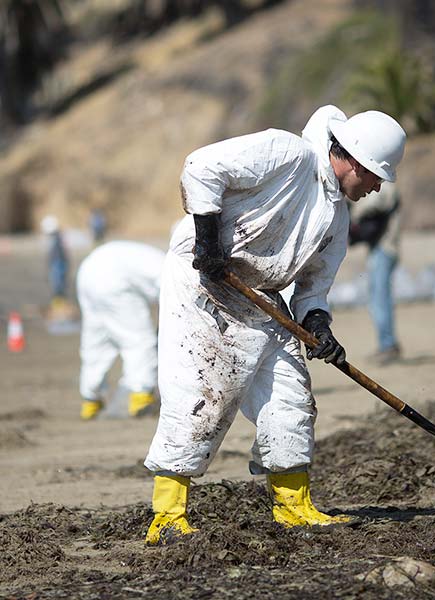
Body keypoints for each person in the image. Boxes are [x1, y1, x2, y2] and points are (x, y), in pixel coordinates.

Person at [144, 104, 406, 545]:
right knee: (202, 395)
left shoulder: (337, 216)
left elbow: (312, 289)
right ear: (355, 160)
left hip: (260, 297)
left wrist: (319, 326)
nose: (377, 187)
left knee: (291, 394)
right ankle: (167, 516)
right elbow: (201, 167)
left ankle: (293, 507)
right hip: (203, 282)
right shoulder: (288, 154)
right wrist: (208, 243)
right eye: (376, 176)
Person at [76, 241, 165, 421]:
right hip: (114, 280)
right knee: (139, 340)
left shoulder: (156, 258)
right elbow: (175, 306)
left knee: (96, 341)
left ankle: (90, 400)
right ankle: (141, 397)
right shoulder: (174, 270)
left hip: (88, 272)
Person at [348, 181, 403, 365]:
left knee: (380, 298)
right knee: (377, 298)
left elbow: (376, 203)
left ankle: (388, 345)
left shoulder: (385, 186)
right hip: (379, 248)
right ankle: (386, 344)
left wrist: (353, 209)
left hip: (385, 249)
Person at [40, 215, 70, 308]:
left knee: (58, 283)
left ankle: (59, 302)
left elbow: (59, 253)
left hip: (58, 263)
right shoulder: (57, 237)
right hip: (57, 262)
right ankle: (58, 301)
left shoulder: (57, 238)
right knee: (57, 282)